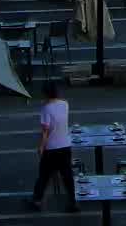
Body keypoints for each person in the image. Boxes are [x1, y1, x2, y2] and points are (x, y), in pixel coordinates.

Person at [26, 81, 80, 212]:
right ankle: (72, 202)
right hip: (65, 145)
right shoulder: (65, 104)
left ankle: (37, 200)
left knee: (44, 176)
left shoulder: (46, 109)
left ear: (45, 93)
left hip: (51, 147)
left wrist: (40, 146)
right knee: (67, 175)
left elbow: (46, 131)